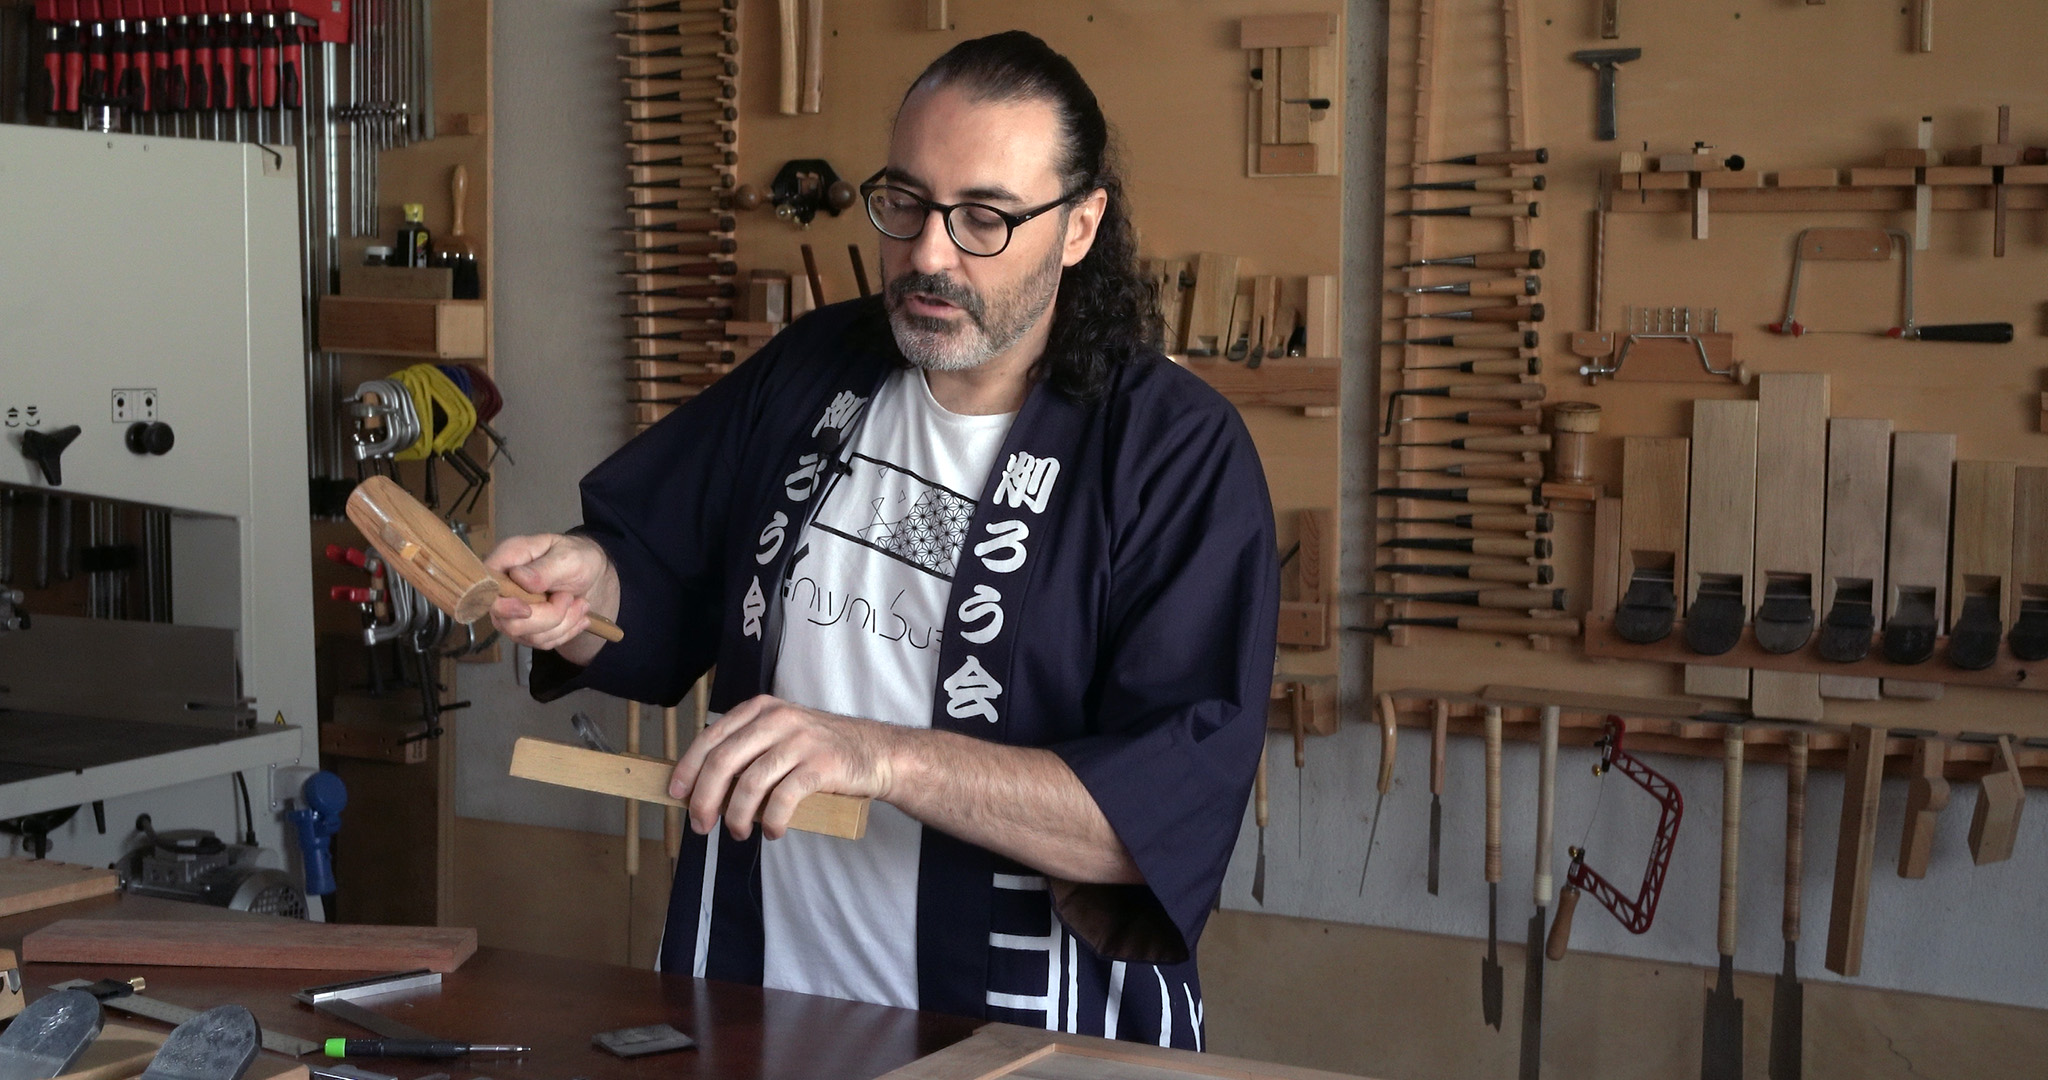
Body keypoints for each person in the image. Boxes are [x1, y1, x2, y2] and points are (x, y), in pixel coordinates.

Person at [486, 31, 1277, 1050]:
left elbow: (1151, 819)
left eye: (984, 218)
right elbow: (653, 582)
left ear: (1079, 226)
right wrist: (580, 583)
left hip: (1017, 1029)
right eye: (904, 204)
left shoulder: (1170, 454)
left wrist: (880, 758)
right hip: (757, 992)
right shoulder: (819, 367)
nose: (928, 255)